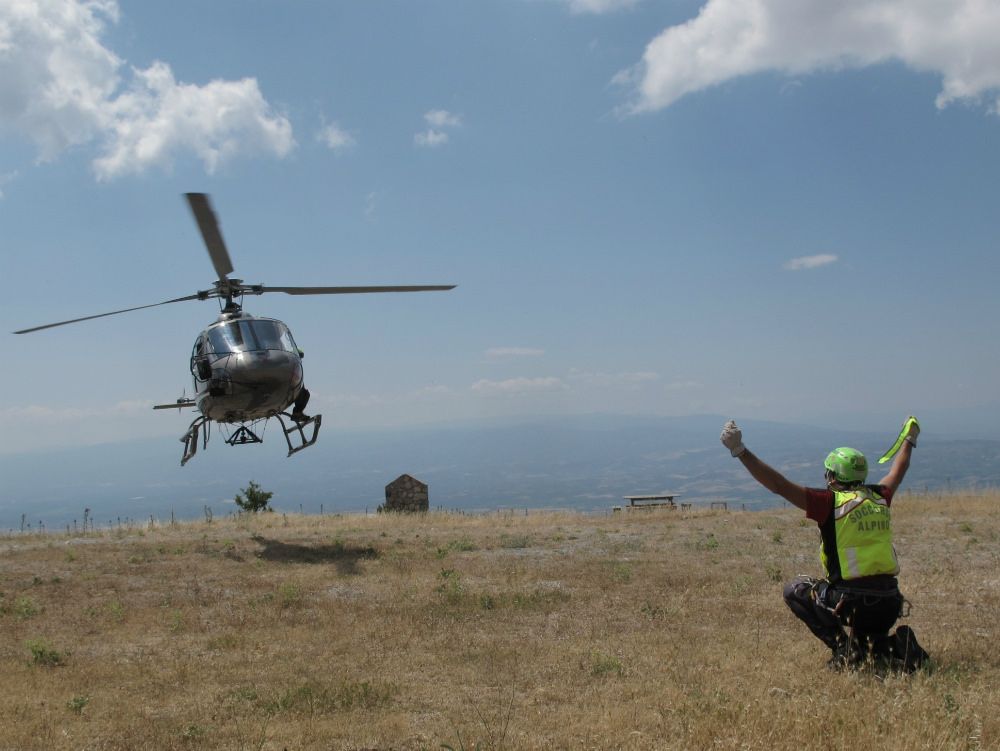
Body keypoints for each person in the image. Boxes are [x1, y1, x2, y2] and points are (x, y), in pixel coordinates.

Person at [720, 418, 928, 671]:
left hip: (852, 603)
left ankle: (844, 650)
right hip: (890, 604)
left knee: (795, 589)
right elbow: (899, 469)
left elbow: (779, 485)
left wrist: (740, 451)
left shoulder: (829, 502)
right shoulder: (880, 496)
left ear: (832, 476)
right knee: (868, 643)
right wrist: (909, 439)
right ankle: (897, 646)